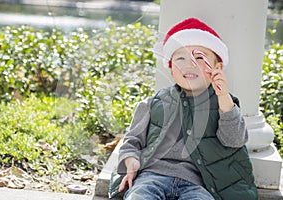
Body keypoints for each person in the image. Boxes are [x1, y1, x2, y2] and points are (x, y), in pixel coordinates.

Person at [108, 18, 258, 200]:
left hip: (197, 183)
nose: (190, 64)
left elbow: (235, 140)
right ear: (171, 69)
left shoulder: (224, 103)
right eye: (181, 58)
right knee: (139, 196)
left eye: (199, 58)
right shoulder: (154, 103)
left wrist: (224, 98)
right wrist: (131, 160)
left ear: (217, 68)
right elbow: (132, 140)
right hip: (151, 177)